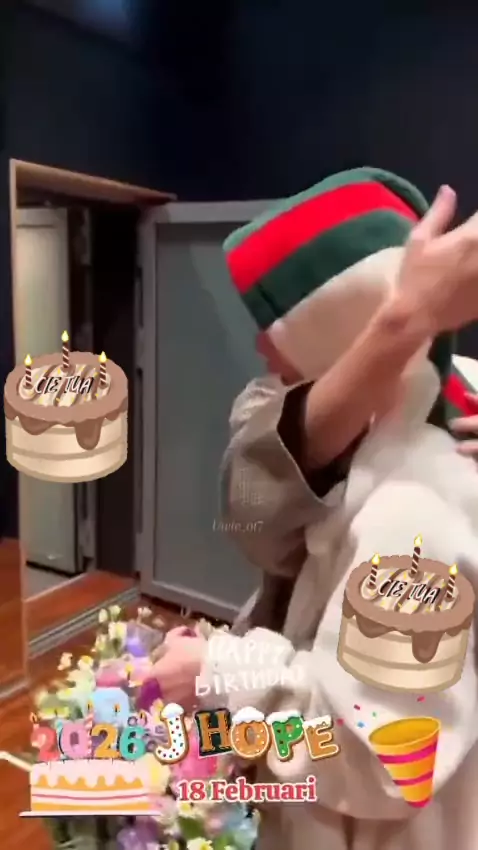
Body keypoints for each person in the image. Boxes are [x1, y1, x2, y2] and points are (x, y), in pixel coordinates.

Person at [150, 169, 478, 850]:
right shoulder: (370, 431)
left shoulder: (412, 511)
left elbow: (386, 757)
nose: (260, 347)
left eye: (273, 323)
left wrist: (220, 672)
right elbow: (256, 497)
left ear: (335, 327)